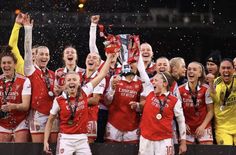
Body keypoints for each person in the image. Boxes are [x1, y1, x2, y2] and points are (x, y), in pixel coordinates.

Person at [43, 53, 114, 155]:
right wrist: (45, 141)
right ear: (65, 83)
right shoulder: (59, 100)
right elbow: (50, 121)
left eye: (74, 80)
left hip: (82, 138)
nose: (72, 82)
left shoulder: (85, 92)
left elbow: (102, 74)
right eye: (69, 80)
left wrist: (109, 58)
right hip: (65, 139)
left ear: (79, 82)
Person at [134, 55, 186, 155]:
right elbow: (141, 69)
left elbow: (181, 122)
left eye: (156, 80)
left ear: (165, 84)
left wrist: (183, 142)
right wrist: (137, 49)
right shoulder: (150, 91)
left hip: (164, 140)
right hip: (146, 139)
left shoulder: (175, 101)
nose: (153, 82)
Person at [23, 15, 58, 142]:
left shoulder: (53, 74)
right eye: (41, 54)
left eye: (47, 54)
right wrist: (27, 29)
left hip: (53, 115)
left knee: (53, 148)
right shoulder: (30, 70)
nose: (44, 56)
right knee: (38, 149)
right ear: (35, 56)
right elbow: (27, 51)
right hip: (37, 115)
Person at [104, 59, 143, 143]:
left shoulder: (141, 82)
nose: (130, 65)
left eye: (133, 62)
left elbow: (143, 106)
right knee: (110, 150)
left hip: (132, 125)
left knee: (131, 151)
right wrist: (112, 90)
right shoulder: (114, 79)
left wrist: (137, 105)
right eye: (129, 63)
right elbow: (107, 101)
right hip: (114, 123)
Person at [0, 46, 31, 142]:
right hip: (2, 124)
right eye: (4, 63)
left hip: (20, 123)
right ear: (0, 65)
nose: (6, 65)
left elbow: (26, 106)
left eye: (9, 63)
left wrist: (13, 106)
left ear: (15, 65)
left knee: (20, 151)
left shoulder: (24, 80)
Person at [179, 62, 214, 144]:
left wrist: (202, 126)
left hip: (204, 125)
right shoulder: (179, 90)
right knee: (184, 150)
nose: (191, 71)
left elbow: (210, 111)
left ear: (200, 74)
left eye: (194, 70)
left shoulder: (206, 89)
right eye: (189, 69)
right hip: (187, 126)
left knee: (208, 151)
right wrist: (183, 123)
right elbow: (178, 111)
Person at [207, 58, 236, 145]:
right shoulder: (216, 82)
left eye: (228, 68)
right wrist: (211, 84)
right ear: (219, 70)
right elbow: (216, 99)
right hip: (222, 128)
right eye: (223, 68)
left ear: (233, 69)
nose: (226, 70)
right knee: (226, 151)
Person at [82, 52, 106, 143]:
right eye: (89, 57)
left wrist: (76, 102)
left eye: (94, 58)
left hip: (89, 118)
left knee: (87, 149)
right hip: (75, 116)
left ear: (99, 64)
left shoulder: (100, 78)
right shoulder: (78, 75)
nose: (91, 59)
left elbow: (95, 100)